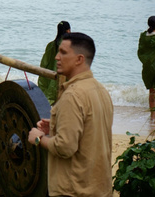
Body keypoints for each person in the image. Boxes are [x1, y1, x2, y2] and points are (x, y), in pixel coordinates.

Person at [28, 32, 113, 197]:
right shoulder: (101, 91)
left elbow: (65, 147)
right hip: (100, 189)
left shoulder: (72, 96)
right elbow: (87, 135)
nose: (56, 57)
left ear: (79, 59)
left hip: (74, 190)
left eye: (63, 52)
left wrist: (38, 138)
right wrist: (55, 127)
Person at [37, 20, 70, 104]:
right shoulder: (69, 46)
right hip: (61, 79)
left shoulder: (51, 45)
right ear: (68, 31)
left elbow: (44, 63)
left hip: (50, 78)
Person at [137, 15, 155, 124]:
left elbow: (141, 52)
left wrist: (147, 62)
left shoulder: (143, 36)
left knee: (152, 92)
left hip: (147, 68)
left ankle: (152, 117)